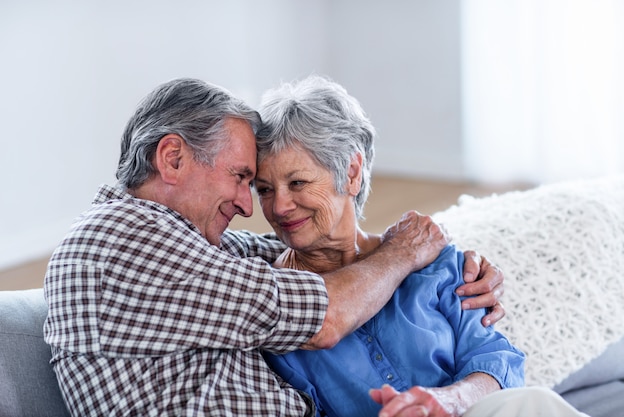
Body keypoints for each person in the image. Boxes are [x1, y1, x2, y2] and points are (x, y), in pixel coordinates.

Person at [44, 78, 505, 416]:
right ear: (173, 158)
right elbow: (322, 315)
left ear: (351, 172)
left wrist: (440, 256)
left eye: (294, 182)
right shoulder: (123, 241)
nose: (252, 205)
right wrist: (403, 252)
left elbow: (278, 252)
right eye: (249, 181)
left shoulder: (186, 246)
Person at [256, 75, 589, 417]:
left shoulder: (434, 262)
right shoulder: (277, 304)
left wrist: (451, 400)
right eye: (264, 190)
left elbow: (495, 361)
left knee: (534, 402)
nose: (279, 207)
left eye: (297, 183)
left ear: (352, 173)